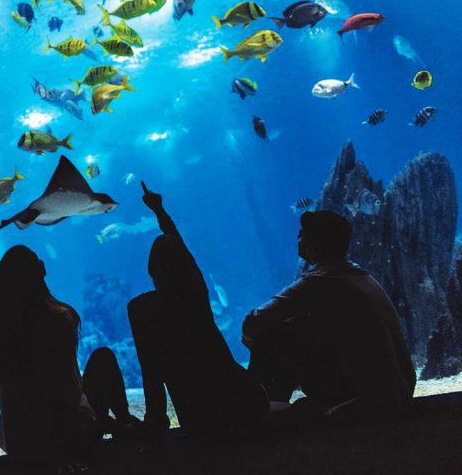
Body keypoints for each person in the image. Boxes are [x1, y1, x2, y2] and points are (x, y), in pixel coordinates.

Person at [242, 210, 415, 417]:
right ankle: (270, 405)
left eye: (302, 234)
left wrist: (258, 337)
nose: (297, 238)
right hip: (400, 392)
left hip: (369, 401)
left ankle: (257, 410)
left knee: (274, 336)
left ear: (314, 243)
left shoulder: (320, 281)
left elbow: (252, 323)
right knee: (295, 327)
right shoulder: (362, 277)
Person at [128, 182, 268, 436]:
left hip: (199, 418)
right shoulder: (195, 293)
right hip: (245, 401)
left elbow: (151, 373)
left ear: (152, 270)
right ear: (186, 266)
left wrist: (155, 424)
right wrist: (159, 211)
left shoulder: (141, 309)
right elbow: (183, 253)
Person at [0, 244, 139, 465]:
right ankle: (124, 421)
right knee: (103, 358)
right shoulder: (57, 321)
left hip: (21, 445)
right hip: (67, 440)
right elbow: (65, 392)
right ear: (38, 273)